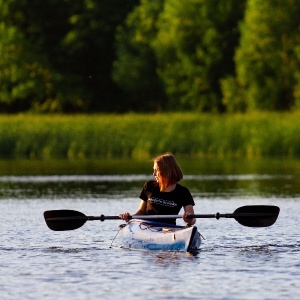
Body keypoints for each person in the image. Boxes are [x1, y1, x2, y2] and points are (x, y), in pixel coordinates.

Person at [119, 152, 196, 225]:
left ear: (166, 171)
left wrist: (189, 219)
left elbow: (192, 220)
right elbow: (141, 211)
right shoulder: (149, 186)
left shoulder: (183, 192)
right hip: (146, 227)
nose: (154, 174)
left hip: (169, 229)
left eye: (156, 170)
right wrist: (129, 217)